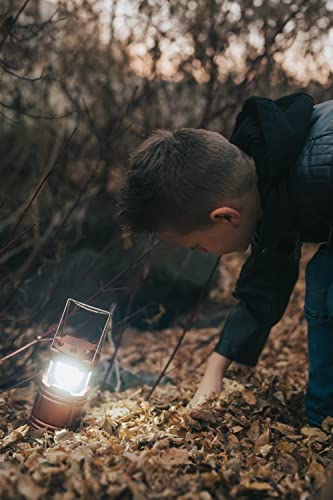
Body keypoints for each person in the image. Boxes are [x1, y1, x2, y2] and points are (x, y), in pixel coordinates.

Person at [120, 92, 333, 427]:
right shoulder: (265, 173)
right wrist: (215, 370)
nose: (202, 254)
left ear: (225, 217)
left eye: (196, 247)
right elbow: (266, 279)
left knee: (326, 278)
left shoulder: (321, 165)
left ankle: (324, 421)